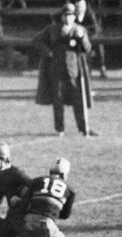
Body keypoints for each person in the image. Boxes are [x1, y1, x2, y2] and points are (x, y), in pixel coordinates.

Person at [33, 3, 98, 138]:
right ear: (62, 17)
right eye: (66, 15)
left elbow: (87, 49)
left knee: (79, 101)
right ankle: (60, 129)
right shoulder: (52, 29)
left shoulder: (80, 29)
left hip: (73, 71)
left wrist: (81, 38)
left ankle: (84, 129)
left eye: (71, 16)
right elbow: (37, 41)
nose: (68, 18)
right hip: (55, 70)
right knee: (58, 101)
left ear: (74, 17)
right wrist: (48, 53)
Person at [74, 0, 107, 79]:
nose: (79, 9)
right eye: (77, 8)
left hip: (91, 34)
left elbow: (95, 28)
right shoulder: (72, 14)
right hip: (76, 36)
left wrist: (84, 32)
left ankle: (102, 67)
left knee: (98, 44)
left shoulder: (89, 13)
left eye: (81, 7)